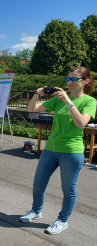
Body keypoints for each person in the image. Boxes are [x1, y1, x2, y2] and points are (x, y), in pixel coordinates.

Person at [20, 66, 97, 235]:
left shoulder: (89, 101)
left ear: (86, 81)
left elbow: (81, 123)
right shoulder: (57, 100)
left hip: (71, 151)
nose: (69, 82)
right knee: (38, 184)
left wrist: (68, 102)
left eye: (74, 79)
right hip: (51, 149)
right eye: (67, 79)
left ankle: (62, 220)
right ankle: (36, 211)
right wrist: (36, 94)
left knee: (68, 189)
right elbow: (31, 109)